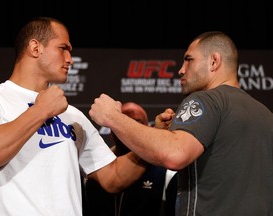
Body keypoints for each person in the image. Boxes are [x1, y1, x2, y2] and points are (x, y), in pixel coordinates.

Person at [88, 31, 273, 216]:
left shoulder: (207, 100)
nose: (181, 69)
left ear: (214, 61)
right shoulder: (266, 115)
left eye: (189, 59)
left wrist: (113, 117)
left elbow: (175, 154)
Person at [0, 17, 147, 216]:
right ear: (35, 48)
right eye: (63, 48)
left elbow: (113, 176)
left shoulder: (72, 115)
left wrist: (153, 139)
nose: (70, 59)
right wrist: (40, 111)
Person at [84, 102, 177, 216]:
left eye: (136, 123)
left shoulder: (166, 174)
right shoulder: (91, 170)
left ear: (148, 129)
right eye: (123, 123)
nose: (130, 130)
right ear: (111, 132)